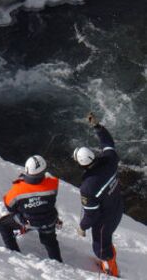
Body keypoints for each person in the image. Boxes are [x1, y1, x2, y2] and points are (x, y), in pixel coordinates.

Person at [73, 113, 123, 277]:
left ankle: (111, 269)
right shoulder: (110, 159)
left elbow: (92, 214)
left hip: (104, 220)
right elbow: (108, 143)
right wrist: (98, 127)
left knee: (100, 247)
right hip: (117, 206)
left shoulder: (88, 187)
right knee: (106, 240)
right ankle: (109, 255)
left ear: (82, 164)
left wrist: (82, 227)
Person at [0, 155, 62, 262]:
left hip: (28, 222)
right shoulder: (53, 183)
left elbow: (9, 205)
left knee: (3, 224)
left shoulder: (18, 189)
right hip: (49, 220)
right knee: (51, 242)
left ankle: (15, 254)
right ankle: (58, 262)